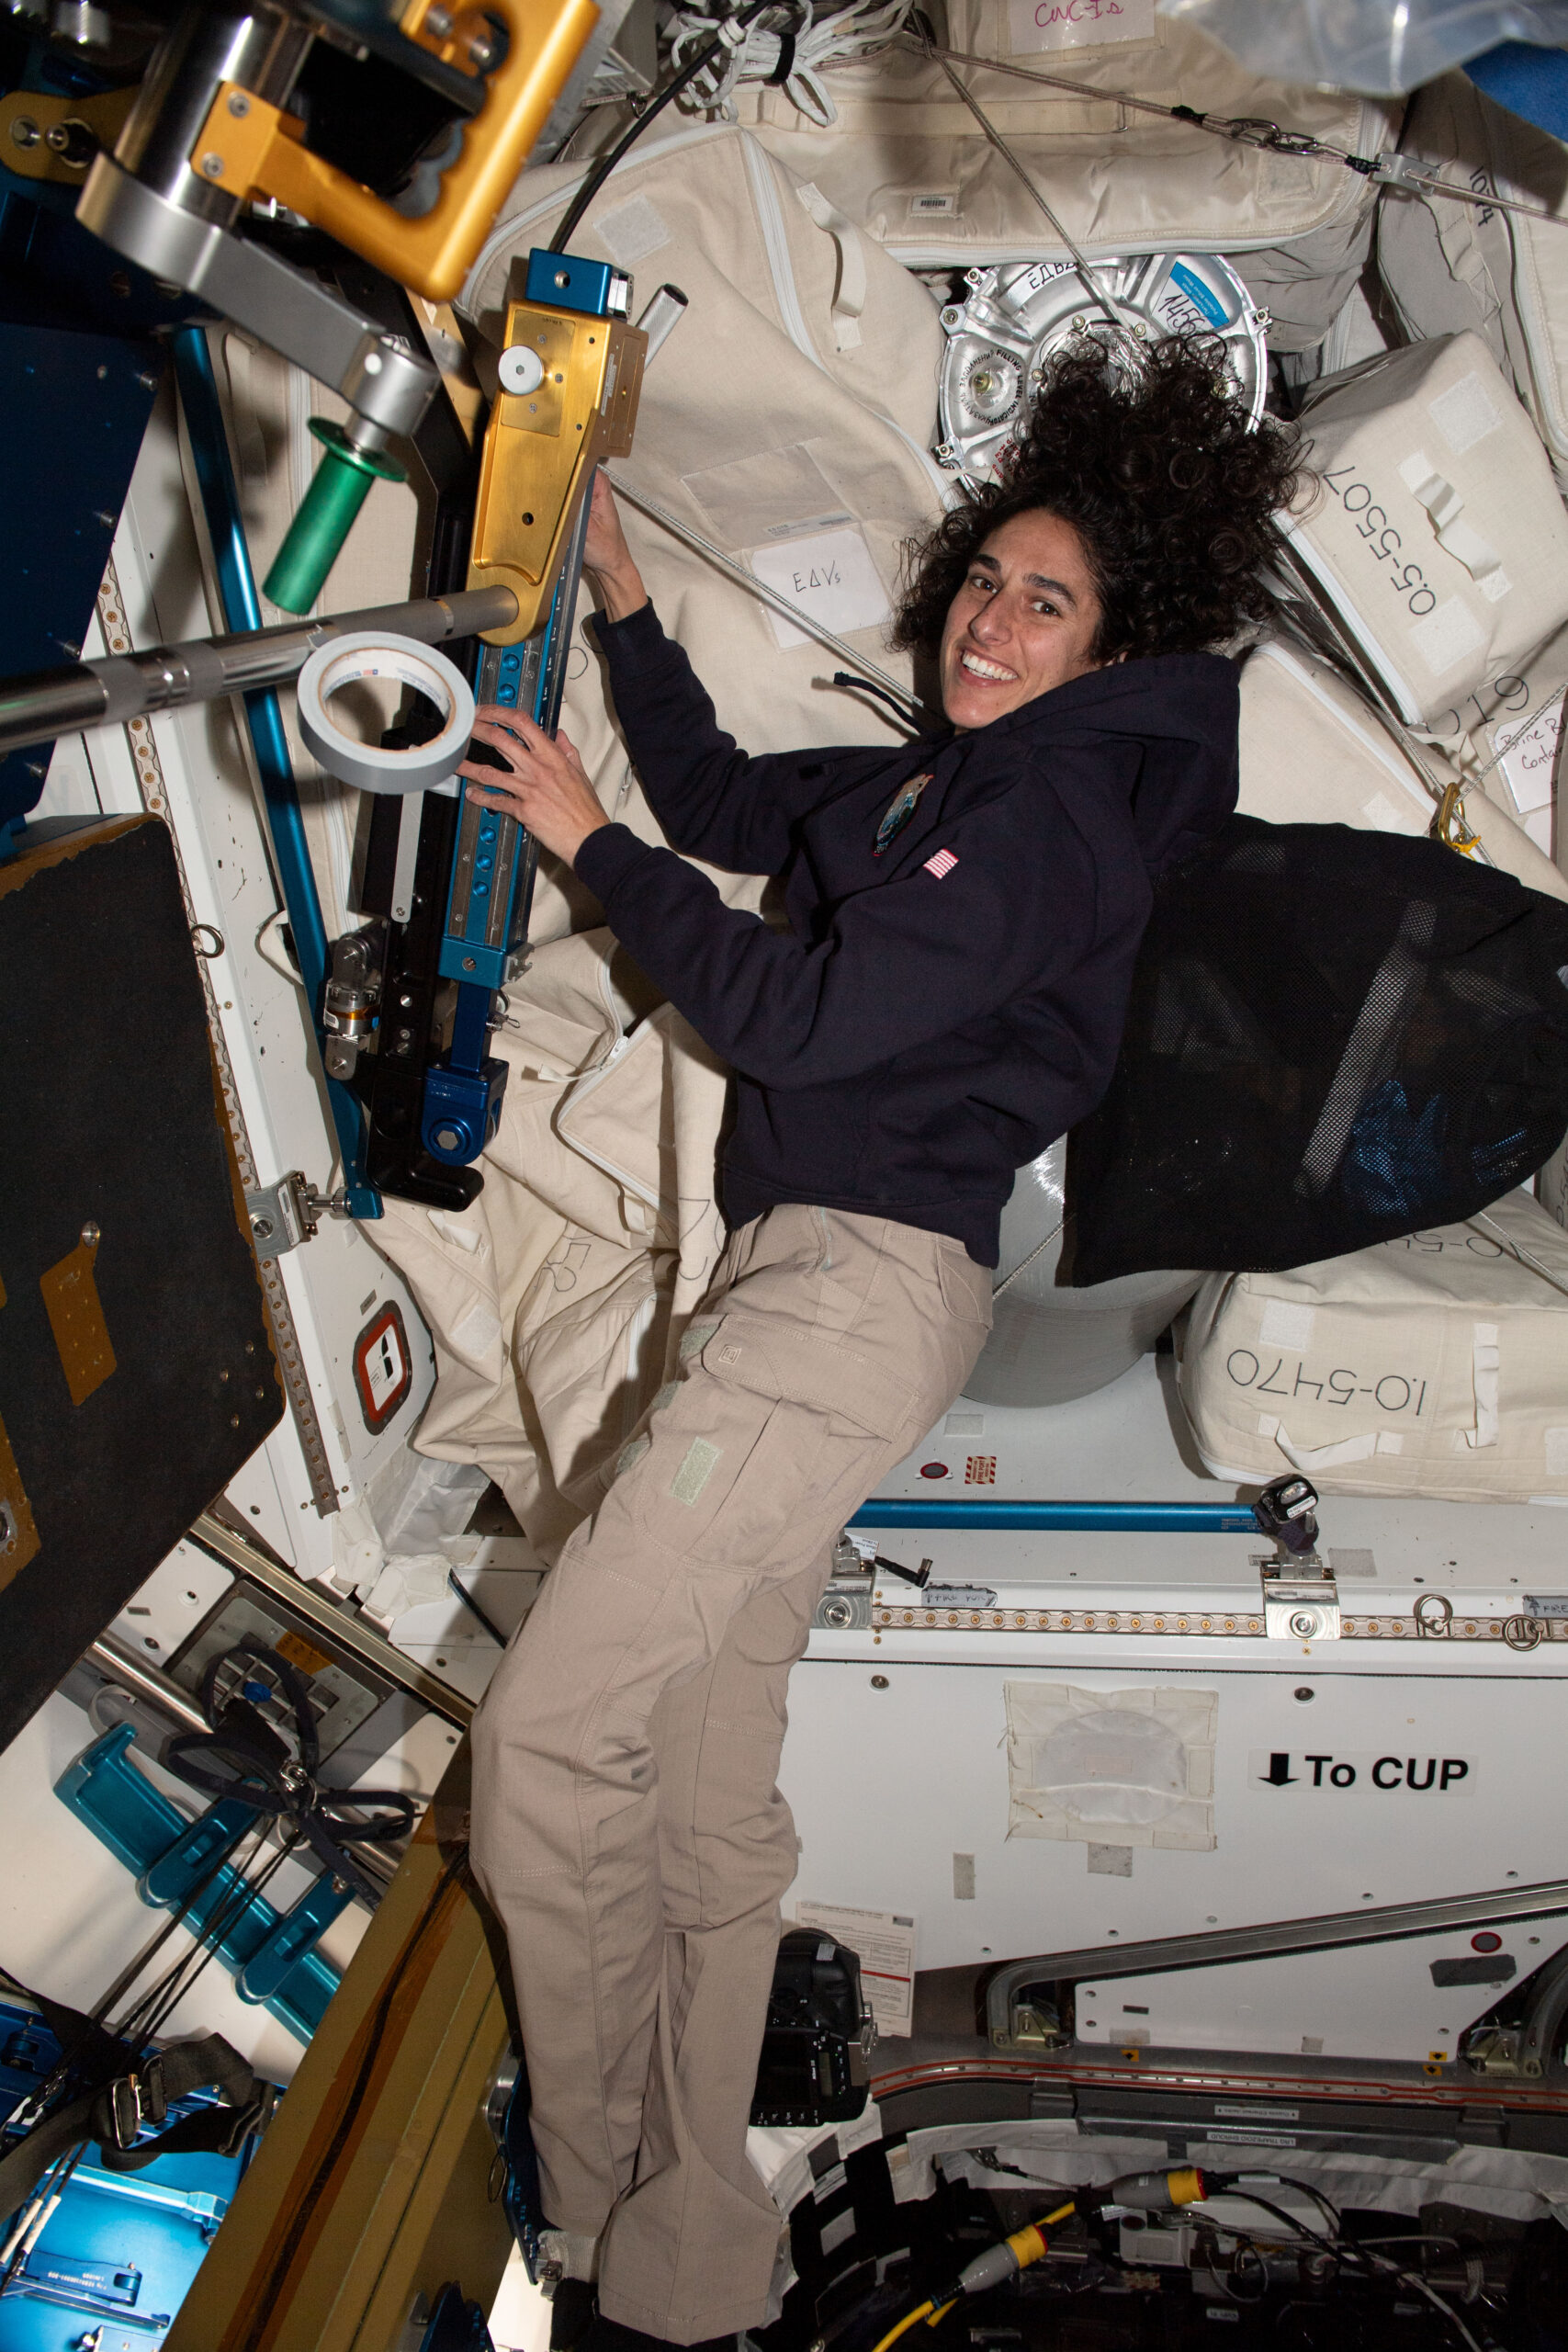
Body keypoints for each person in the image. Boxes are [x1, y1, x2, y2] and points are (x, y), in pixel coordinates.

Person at [464, 339, 1300, 2352]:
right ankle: (685, 2279)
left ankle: (588, 2218)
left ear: (1119, 648)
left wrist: (586, 844)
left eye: (1045, 600)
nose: (990, 624)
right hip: (816, 1293)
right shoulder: (957, 783)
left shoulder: (1051, 822)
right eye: (983, 582)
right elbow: (742, 803)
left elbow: (797, 1019)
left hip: (844, 1301)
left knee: (542, 1745)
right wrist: (627, 609)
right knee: (695, 1790)